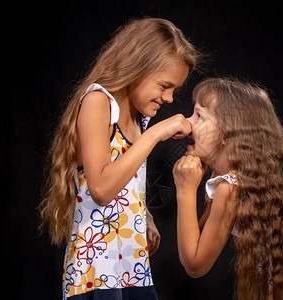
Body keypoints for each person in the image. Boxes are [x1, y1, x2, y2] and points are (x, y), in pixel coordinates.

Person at [39, 17, 198, 299]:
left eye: (175, 89)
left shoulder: (140, 119)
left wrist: (143, 215)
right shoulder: (98, 102)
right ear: (137, 67)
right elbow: (99, 189)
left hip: (132, 268)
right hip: (96, 275)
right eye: (164, 86)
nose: (170, 98)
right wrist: (156, 134)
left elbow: (123, 181)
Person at [173, 78, 283, 300]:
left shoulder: (231, 188)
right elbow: (199, 238)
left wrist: (185, 189)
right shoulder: (251, 180)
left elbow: (194, 264)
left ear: (227, 134)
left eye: (199, 116)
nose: (187, 123)